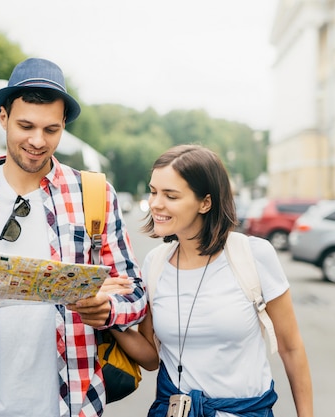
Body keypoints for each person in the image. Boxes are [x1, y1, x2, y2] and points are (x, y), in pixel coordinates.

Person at [0, 57, 147, 417]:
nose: (37, 141)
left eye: (51, 130)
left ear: (64, 124)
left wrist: (108, 310)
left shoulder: (94, 195)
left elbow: (136, 295)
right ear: (3, 117)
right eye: (25, 126)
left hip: (73, 405)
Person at [110, 144, 314, 416]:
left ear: (205, 202)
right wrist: (106, 316)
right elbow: (150, 358)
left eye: (171, 195)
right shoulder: (155, 264)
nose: (156, 203)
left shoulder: (253, 255)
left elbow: (291, 348)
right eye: (153, 191)